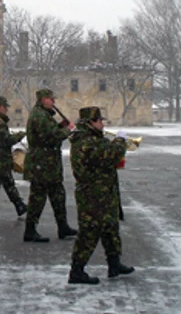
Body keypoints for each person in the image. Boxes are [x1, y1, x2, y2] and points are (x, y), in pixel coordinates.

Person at [67, 107, 134, 284]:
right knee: (89, 233)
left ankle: (114, 264)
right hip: (92, 195)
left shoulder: (91, 139)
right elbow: (111, 155)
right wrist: (120, 141)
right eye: (99, 121)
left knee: (110, 229)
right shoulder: (86, 141)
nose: (102, 124)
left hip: (103, 193)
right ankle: (77, 271)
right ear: (90, 122)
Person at [23, 89, 77, 243]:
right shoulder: (39, 116)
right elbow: (51, 137)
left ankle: (63, 227)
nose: (54, 102)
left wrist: (60, 125)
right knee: (38, 198)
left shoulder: (44, 115)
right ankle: (30, 230)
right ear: (43, 100)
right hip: (42, 164)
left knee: (58, 195)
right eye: (51, 99)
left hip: (48, 164)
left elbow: (50, 131)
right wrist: (67, 130)